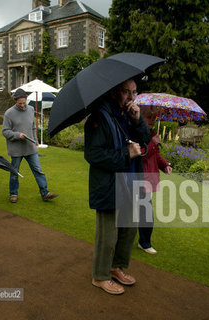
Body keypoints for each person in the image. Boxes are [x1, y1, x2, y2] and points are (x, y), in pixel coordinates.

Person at [84, 78, 151, 295]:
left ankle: (116, 267)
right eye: (126, 92)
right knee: (108, 235)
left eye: (134, 92)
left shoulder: (126, 115)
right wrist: (125, 153)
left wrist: (138, 120)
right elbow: (93, 154)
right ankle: (100, 276)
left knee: (129, 229)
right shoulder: (99, 117)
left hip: (130, 181)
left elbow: (145, 142)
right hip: (109, 185)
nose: (132, 97)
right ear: (114, 92)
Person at [2, 88, 58, 203]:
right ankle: (13, 193)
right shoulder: (9, 113)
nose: (22, 105)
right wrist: (18, 135)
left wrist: (35, 140)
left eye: (24, 102)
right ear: (15, 101)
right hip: (16, 149)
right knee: (14, 172)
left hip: (30, 148)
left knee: (38, 170)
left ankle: (45, 193)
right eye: (20, 103)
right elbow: (5, 131)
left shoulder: (31, 109)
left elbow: (33, 126)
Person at [138, 106, 172, 254]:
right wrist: (153, 142)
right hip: (139, 178)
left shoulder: (151, 133)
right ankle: (144, 243)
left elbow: (155, 155)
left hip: (149, 178)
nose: (152, 120)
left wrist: (165, 165)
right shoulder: (139, 133)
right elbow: (142, 155)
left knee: (142, 212)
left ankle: (143, 241)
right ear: (141, 117)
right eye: (149, 117)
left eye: (154, 117)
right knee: (145, 213)